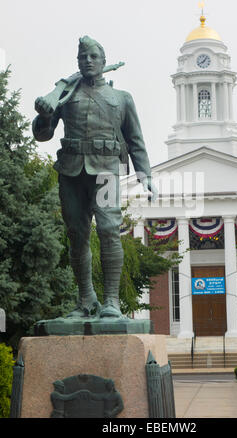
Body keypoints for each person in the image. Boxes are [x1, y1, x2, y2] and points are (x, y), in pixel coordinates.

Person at [32, 35, 157, 319]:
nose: (87, 61)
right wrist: (45, 115)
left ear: (103, 62)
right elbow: (42, 135)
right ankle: (86, 301)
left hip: (106, 171)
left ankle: (112, 301)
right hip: (71, 171)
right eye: (82, 57)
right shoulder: (65, 94)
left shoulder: (121, 98)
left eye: (92, 57)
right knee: (77, 235)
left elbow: (135, 139)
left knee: (110, 230)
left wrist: (144, 174)